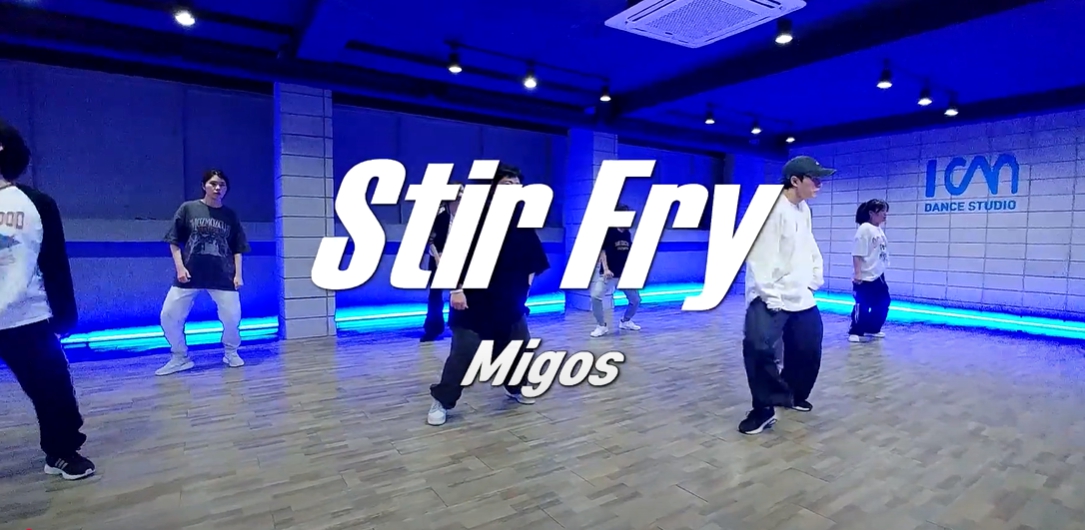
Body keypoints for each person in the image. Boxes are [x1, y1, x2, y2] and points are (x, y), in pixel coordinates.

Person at [0, 118, 95, 480]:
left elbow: (54, 263)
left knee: (53, 389)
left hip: (27, 316)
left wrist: (65, 315)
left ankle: (61, 452)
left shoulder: (36, 203)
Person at [427, 164, 550, 426]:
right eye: (507, 184)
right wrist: (457, 289)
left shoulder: (522, 218)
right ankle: (443, 400)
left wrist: (525, 291)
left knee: (518, 346)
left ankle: (514, 387)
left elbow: (533, 260)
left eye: (517, 184)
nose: (514, 188)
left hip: (509, 301)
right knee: (465, 352)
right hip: (473, 301)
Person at [738, 155, 832, 436]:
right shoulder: (771, 211)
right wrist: (771, 298)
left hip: (800, 294)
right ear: (795, 180)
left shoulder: (803, 209)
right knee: (758, 348)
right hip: (769, 295)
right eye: (814, 179)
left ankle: (791, 395)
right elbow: (759, 257)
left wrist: (814, 278)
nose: (819, 185)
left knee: (808, 348)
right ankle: (763, 409)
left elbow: (809, 244)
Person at [155, 169, 250, 376]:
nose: (217, 188)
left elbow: (238, 247)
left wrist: (238, 274)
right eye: (213, 183)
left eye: (222, 185)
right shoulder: (188, 209)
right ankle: (180, 356)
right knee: (169, 315)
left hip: (223, 275)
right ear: (204, 186)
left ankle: (231, 352)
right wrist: (180, 267)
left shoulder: (230, 216)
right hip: (190, 274)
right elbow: (173, 240)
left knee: (233, 317)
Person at [421, 182, 465, 342]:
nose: (461, 194)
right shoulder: (438, 213)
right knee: (435, 295)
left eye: (463, 191)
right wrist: (437, 257)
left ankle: (459, 325)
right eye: (458, 191)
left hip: (461, 257)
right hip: (438, 257)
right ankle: (433, 328)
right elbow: (429, 238)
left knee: (461, 291)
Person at [589, 204, 641, 337]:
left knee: (635, 300)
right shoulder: (609, 231)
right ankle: (601, 326)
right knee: (595, 296)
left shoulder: (627, 233)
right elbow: (603, 251)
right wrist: (606, 269)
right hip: (608, 274)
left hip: (624, 274)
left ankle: (625, 321)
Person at [848, 199, 890, 343]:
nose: (885, 214)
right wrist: (858, 273)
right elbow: (857, 253)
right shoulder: (864, 229)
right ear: (871, 213)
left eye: (885, 211)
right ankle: (856, 330)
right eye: (881, 211)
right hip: (865, 276)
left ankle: (872, 328)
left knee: (883, 302)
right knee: (862, 305)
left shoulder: (878, 229)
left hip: (878, 275)